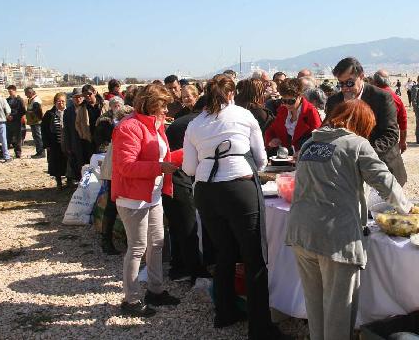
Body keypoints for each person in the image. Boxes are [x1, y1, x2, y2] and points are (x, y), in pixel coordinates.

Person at [287, 99, 410, 340]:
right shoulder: (356, 144)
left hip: (301, 232)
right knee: (338, 312)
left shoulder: (311, 142)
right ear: (362, 124)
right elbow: (386, 182)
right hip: (336, 237)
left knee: (315, 307)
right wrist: (408, 210)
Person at [182, 74, 287, 340]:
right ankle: (260, 327)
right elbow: (261, 159)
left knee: (224, 252)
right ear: (231, 94)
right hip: (238, 185)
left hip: (206, 190)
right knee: (253, 257)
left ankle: (225, 311)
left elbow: (189, 168)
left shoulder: (195, 124)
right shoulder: (243, 115)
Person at [111, 83, 182, 317]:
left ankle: (155, 290)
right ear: (151, 105)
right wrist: (160, 167)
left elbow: (163, 155)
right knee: (138, 248)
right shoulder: (129, 127)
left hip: (152, 195)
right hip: (133, 198)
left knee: (157, 243)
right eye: (163, 106)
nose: (166, 110)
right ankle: (130, 300)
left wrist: (186, 154)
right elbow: (125, 166)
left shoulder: (155, 125)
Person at [326, 57, 407, 185]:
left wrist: (363, 156)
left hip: (382, 166)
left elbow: (390, 135)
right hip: (348, 173)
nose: (345, 88)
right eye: (341, 84)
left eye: (349, 83)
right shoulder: (333, 101)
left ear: (361, 76)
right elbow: (330, 132)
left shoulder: (381, 97)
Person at [163, 94, 213, 284]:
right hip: (179, 175)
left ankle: (179, 267)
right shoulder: (198, 124)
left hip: (170, 177)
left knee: (177, 226)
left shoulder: (182, 121)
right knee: (187, 225)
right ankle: (195, 270)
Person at [95, 96, 132, 254]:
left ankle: (113, 239)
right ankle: (107, 241)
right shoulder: (122, 128)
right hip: (115, 170)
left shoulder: (119, 127)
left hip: (114, 168)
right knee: (113, 206)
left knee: (116, 206)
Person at [265, 77, 322, 155]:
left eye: (291, 101)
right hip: (285, 157)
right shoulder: (282, 110)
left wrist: (304, 152)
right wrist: (271, 140)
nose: (287, 104)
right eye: (284, 101)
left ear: (300, 96)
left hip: (305, 159)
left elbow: (319, 137)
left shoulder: (310, 111)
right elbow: (271, 130)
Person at [373, 70, 408, 153]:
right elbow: (403, 121)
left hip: (372, 141)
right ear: (388, 81)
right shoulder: (396, 98)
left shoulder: (370, 96)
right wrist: (402, 141)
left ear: (375, 82)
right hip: (391, 140)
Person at [41, 93, 69, 189]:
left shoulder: (69, 112)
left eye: (63, 101)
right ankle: (59, 182)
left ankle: (69, 181)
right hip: (54, 144)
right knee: (56, 163)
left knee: (68, 162)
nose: (61, 103)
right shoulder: (49, 114)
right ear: (55, 102)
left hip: (67, 144)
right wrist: (46, 144)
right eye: (58, 101)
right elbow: (44, 130)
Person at [76, 84, 107, 165]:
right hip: (89, 140)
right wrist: (83, 134)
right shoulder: (82, 108)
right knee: (92, 163)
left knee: (104, 163)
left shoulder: (104, 105)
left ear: (95, 92)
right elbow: (78, 123)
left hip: (104, 140)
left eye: (89, 94)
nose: (88, 97)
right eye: (85, 95)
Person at [62, 88, 85, 183]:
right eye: (75, 97)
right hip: (74, 141)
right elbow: (66, 130)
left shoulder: (87, 108)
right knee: (77, 163)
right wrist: (68, 145)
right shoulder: (68, 111)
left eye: (80, 97)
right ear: (72, 98)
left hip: (86, 142)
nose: (78, 99)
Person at [5, 85, 26, 158]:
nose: (10, 93)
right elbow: (4, 110)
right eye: (9, 91)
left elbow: (23, 111)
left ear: (15, 91)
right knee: (8, 137)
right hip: (9, 121)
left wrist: (14, 116)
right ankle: (4, 153)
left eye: (11, 91)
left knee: (17, 138)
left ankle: (18, 153)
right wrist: (7, 116)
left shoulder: (19, 100)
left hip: (17, 121)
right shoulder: (6, 100)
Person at [24, 87, 45, 158]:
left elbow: (37, 111)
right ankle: (39, 151)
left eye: (26, 93)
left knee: (38, 136)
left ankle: (41, 152)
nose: (25, 95)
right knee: (36, 137)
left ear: (29, 93)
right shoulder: (32, 99)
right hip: (34, 122)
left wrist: (29, 113)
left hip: (36, 122)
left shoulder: (36, 100)